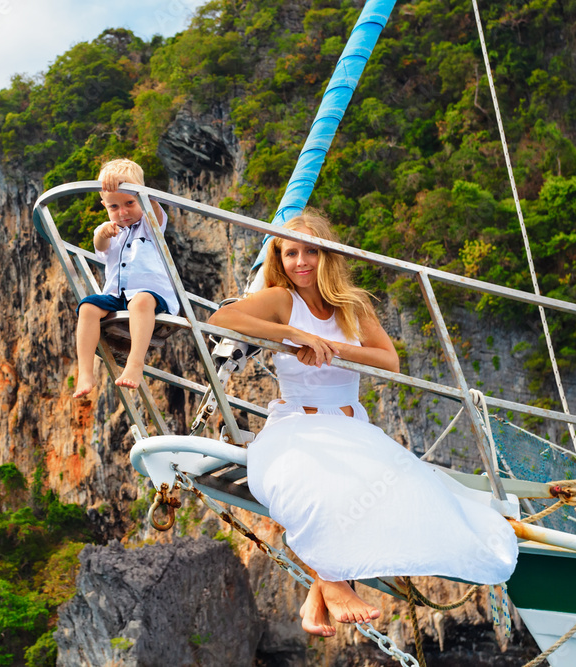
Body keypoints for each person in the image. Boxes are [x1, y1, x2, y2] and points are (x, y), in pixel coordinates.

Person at [208, 210, 518, 637]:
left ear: (327, 254)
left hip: (353, 427)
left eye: (311, 251)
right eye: (291, 252)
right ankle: (332, 585)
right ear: (280, 258)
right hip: (299, 424)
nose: (301, 262)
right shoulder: (282, 300)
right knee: (318, 489)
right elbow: (221, 320)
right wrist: (297, 336)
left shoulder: (351, 304)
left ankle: (317, 598)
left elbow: (387, 359)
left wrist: (331, 346)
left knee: (415, 499)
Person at [73, 158, 180, 398]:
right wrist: (101, 233)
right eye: (114, 207)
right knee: (88, 306)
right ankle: (85, 371)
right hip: (116, 295)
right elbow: (100, 247)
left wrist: (131, 185)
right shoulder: (111, 230)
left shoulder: (150, 225)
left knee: (140, 301)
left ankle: (135, 363)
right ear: (105, 206)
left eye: (130, 202)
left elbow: (151, 203)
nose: (122, 212)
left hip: (152, 295)